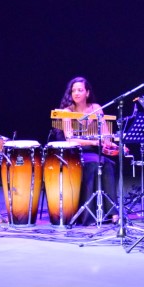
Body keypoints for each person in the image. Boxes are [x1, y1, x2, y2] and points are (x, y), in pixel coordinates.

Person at [52, 77, 119, 225]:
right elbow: (70, 139)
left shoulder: (96, 108)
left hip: (95, 151)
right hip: (75, 153)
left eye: (80, 90)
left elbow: (106, 136)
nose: (76, 93)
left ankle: (112, 212)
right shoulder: (67, 112)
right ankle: (87, 216)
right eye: (73, 90)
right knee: (93, 165)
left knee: (108, 164)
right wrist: (94, 141)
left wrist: (115, 145)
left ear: (87, 93)